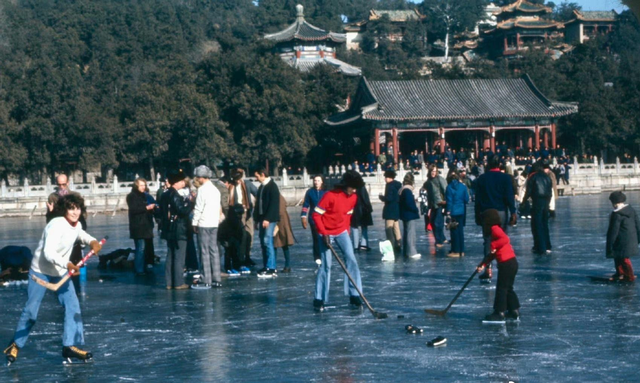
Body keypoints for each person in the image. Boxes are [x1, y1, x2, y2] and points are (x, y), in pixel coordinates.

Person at [3, 194, 102, 365]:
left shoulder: (76, 225)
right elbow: (48, 253)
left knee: (73, 307)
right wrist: (69, 264)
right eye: (71, 208)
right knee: (31, 312)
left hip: (61, 272)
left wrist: (92, 241)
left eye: (78, 208)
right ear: (65, 209)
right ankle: (15, 344)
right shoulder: (55, 225)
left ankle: (69, 345)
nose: (75, 212)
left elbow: (80, 233)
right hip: (40, 272)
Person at [312, 170, 365, 312]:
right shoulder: (330, 196)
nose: (354, 190)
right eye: (352, 187)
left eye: (356, 188)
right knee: (326, 265)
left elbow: (347, 216)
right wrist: (323, 233)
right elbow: (316, 215)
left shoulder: (353, 197)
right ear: (346, 185)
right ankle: (319, 298)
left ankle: (355, 294)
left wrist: (346, 232)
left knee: (351, 260)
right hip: (325, 232)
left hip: (341, 232)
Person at [474, 156, 517, 282]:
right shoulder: (505, 178)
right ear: (499, 165)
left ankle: (488, 268)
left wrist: (477, 214)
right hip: (501, 212)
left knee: (488, 240)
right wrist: (513, 211)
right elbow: (509, 196)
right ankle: (502, 264)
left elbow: (478, 199)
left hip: (486, 213)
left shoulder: (482, 179)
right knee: (501, 238)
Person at [477, 209, 520, 323]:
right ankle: (514, 310)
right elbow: (492, 254)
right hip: (511, 263)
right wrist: (483, 264)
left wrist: (493, 244)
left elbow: (505, 239)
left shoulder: (495, 229)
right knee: (508, 287)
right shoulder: (494, 231)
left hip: (507, 263)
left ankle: (499, 312)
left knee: (502, 288)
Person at [159, 170, 194, 289]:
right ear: (177, 182)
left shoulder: (165, 194)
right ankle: (179, 282)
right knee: (179, 256)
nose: (184, 182)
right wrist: (190, 203)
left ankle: (169, 282)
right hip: (178, 228)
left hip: (168, 228)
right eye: (182, 180)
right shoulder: (174, 194)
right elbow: (182, 211)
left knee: (170, 255)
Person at [191, 165, 222, 289]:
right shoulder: (215, 190)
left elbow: (198, 208)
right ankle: (217, 278)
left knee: (204, 251)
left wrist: (194, 223)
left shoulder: (202, 190)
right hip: (214, 223)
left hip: (204, 223)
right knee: (214, 250)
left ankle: (206, 279)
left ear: (201, 177)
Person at [605, 191, 639, 282]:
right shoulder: (631, 210)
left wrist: (610, 243)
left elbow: (613, 231)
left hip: (621, 240)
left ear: (613, 202)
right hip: (631, 239)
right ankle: (620, 273)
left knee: (623, 258)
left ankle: (629, 275)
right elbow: (637, 224)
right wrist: (638, 239)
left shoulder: (617, 215)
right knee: (618, 256)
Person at [254, 167, 280, 278]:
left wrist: (267, 219)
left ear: (263, 174)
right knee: (263, 242)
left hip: (269, 219)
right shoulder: (261, 187)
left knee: (267, 241)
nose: (256, 178)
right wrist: (256, 219)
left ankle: (272, 267)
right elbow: (257, 205)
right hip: (262, 219)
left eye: (257, 176)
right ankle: (266, 265)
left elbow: (274, 205)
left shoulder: (272, 187)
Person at [126, 178, 156, 275]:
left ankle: (144, 266)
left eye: (144, 185)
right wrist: (146, 207)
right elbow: (134, 209)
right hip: (138, 226)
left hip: (146, 225)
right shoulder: (131, 196)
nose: (144, 187)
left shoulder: (144, 195)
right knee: (140, 248)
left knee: (145, 247)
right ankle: (139, 269)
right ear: (136, 186)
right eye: (141, 185)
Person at [523, 161, 552, 255]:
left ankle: (540, 246)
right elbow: (550, 190)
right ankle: (547, 245)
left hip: (537, 201)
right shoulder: (547, 177)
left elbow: (528, 191)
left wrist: (524, 201)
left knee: (537, 224)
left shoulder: (533, 177)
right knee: (545, 223)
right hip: (546, 200)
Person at [301, 175, 327, 266]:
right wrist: (303, 217)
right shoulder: (310, 192)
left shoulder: (326, 192)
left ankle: (325, 255)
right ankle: (317, 256)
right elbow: (305, 205)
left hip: (325, 218)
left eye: (318, 180)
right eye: (315, 180)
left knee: (324, 237)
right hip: (313, 218)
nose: (316, 182)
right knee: (316, 238)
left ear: (322, 181)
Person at [445, 170, 469, 257]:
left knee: (454, 231)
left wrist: (448, 212)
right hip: (461, 211)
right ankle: (461, 250)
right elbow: (466, 199)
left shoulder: (449, 187)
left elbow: (449, 201)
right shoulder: (463, 186)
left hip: (453, 212)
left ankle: (455, 250)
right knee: (460, 231)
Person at [424, 165, 448, 248]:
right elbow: (425, 188)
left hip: (440, 203)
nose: (433, 173)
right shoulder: (428, 181)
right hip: (432, 204)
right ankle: (442, 237)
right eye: (432, 171)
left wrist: (446, 201)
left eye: (434, 171)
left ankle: (439, 241)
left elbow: (446, 190)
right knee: (432, 222)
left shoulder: (440, 179)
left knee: (438, 223)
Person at [379, 170, 402, 254]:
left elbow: (389, 198)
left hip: (390, 210)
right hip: (396, 209)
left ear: (390, 178)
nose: (385, 179)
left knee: (389, 228)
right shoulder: (397, 185)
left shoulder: (390, 186)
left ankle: (391, 244)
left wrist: (382, 197)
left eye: (386, 177)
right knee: (396, 228)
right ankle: (398, 243)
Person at [399, 173, 421, 259]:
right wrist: (415, 209)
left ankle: (406, 251)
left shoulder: (403, 190)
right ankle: (411, 252)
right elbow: (409, 203)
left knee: (407, 232)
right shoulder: (407, 190)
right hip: (409, 214)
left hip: (404, 214)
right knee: (410, 233)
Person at [274, 194, 295, 273]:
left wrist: (275, 220)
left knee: (283, 243)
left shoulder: (278, 197)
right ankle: (274, 265)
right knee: (275, 244)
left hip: (281, 222)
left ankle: (287, 265)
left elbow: (281, 210)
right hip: (277, 221)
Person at [351, 184, 373, 252]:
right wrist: (369, 208)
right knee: (364, 227)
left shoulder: (349, 186)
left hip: (355, 209)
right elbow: (365, 199)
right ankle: (364, 244)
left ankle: (355, 245)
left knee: (354, 227)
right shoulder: (361, 187)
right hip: (363, 210)